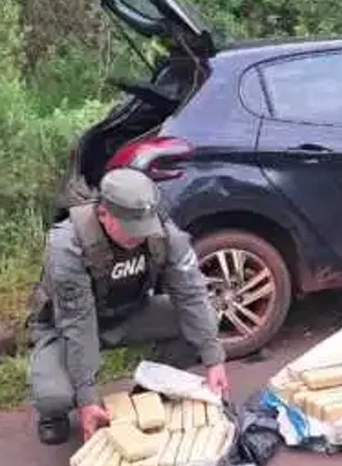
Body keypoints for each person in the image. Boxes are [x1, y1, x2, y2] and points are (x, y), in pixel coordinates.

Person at [26, 166, 230, 445]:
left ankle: (148, 392)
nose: (139, 237)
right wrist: (86, 396)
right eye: (130, 229)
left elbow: (191, 293)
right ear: (103, 213)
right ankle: (54, 414)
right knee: (54, 397)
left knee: (202, 321)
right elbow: (78, 323)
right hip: (66, 327)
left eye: (144, 228)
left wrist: (214, 358)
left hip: (128, 312)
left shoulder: (162, 231)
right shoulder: (67, 246)